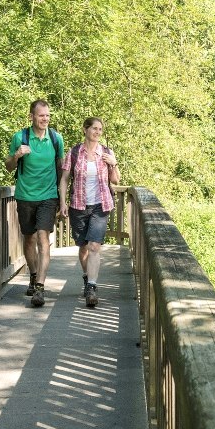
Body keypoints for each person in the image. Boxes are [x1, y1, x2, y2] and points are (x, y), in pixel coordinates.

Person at [5, 100, 65, 307]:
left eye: (47, 115)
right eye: (41, 115)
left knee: (43, 237)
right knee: (29, 239)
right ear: (31, 116)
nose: (45, 119)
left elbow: (61, 169)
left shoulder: (56, 139)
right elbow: (8, 167)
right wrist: (16, 155)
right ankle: (32, 275)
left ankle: (40, 286)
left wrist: (62, 199)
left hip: (48, 196)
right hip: (25, 196)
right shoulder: (19, 137)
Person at [58, 117, 120, 308]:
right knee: (83, 246)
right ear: (85, 130)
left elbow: (116, 181)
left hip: (101, 205)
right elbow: (65, 179)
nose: (97, 132)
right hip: (78, 205)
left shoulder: (107, 153)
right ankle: (87, 277)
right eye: (94, 128)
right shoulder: (74, 152)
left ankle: (92, 287)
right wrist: (63, 203)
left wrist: (114, 163)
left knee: (94, 246)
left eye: (100, 129)